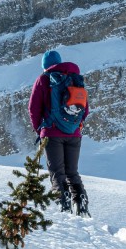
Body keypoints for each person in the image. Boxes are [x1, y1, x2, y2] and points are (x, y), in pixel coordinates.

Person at [28, 49, 90, 215]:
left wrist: (39, 129)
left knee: (57, 172)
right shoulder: (75, 79)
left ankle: (63, 206)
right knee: (72, 172)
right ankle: (81, 204)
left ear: (45, 66)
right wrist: (77, 125)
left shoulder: (43, 79)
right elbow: (85, 109)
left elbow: (33, 109)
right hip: (74, 134)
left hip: (51, 133)